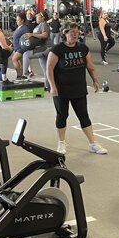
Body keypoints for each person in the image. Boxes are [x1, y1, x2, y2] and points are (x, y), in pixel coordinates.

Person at [46, 22, 107, 155]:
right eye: (71, 32)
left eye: (77, 32)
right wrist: (52, 87)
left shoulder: (83, 49)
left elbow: (90, 66)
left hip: (79, 88)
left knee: (84, 116)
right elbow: (49, 68)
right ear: (65, 33)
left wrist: (95, 80)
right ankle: (61, 143)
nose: (75, 34)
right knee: (62, 116)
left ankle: (92, 143)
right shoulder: (57, 50)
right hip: (61, 90)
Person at [22, 12, 50, 86]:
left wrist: (32, 34)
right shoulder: (38, 26)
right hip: (40, 48)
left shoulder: (43, 24)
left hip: (45, 48)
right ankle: (48, 86)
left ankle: (25, 73)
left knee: (26, 54)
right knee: (45, 69)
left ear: (42, 18)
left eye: (37, 17)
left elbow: (45, 35)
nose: (36, 18)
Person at [11, 12, 30, 80]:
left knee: (14, 59)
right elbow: (17, 36)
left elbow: (27, 38)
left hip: (21, 48)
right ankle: (21, 75)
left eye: (18, 20)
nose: (16, 21)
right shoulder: (18, 27)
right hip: (16, 47)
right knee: (19, 62)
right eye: (16, 19)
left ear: (22, 20)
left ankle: (19, 75)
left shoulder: (25, 28)